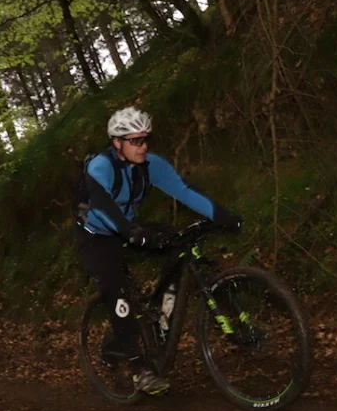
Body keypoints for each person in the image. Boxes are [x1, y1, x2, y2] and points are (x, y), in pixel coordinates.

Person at [75, 106, 243, 395]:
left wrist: (223, 216)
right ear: (117, 143)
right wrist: (131, 233)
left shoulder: (151, 165)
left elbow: (185, 191)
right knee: (116, 291)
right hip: (97, 235)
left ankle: (161, 313)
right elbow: (101, 206)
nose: (143, 147)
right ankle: (138, 369)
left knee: (180, 244)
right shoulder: (100, 167)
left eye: (146, 139)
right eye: (135, 141)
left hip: (129, 226)